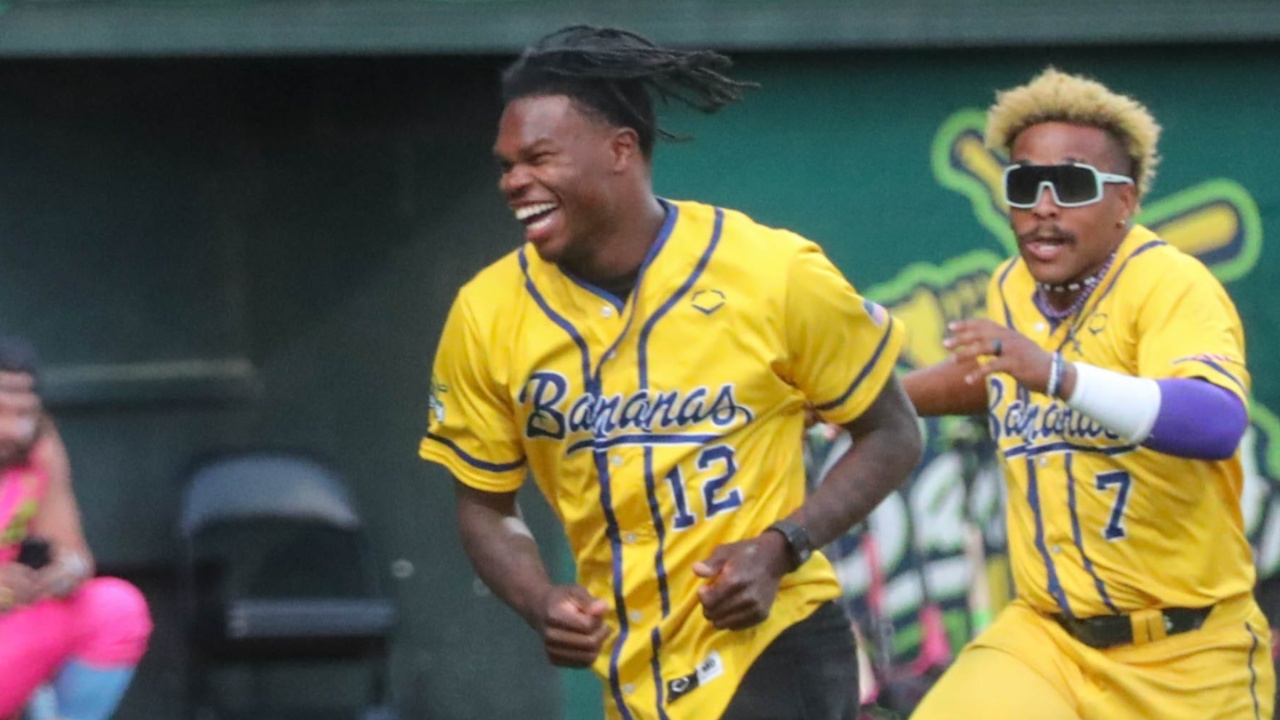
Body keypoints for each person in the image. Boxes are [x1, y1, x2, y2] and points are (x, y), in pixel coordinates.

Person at [418, 25, 923, 720]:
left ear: (619, 150)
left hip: (771, 640)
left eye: (538, 158)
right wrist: (538, 599)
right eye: (507, 166)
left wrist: (781, 546)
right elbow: (485, 504)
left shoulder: (771, 272)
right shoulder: (486, 313)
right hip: (632, 668)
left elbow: (893, 433)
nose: (514, 182)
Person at [903, 67, 1275, 720]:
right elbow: (996, 377)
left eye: (1072, 186)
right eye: (1025, 185)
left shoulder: (1170, 284)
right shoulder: (1012, 286)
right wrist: (864, 398)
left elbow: (1217, 421)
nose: (1044, 206)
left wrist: (1057, 374)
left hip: (1185, 651)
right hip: (1047, 640)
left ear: (1124, 201)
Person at [0, 336, 153, 720]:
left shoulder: (37, 447)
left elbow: (74, 552)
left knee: (115, 608)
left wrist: (64, 571)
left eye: (24, 414)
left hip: (12, 629)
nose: (14, 430)